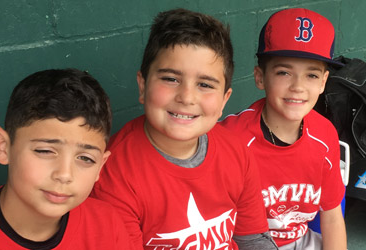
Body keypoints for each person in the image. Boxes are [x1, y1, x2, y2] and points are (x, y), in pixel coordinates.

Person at [91, 8, 277, 250]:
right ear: (143, 86)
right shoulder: (113, 174)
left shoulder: (236, 151)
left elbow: (252, 238)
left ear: (223, 100)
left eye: (205, 84)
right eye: (171, 79)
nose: (187, 97)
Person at [221, 8, 347, 250]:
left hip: (300, 240)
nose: (298, 87)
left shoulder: (324, 134)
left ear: (323, 82)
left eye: (311, 75)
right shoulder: (231, 138)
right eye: (284, 72)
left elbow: (331, 215)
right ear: (260, 77)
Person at [0, 69, 132, 249]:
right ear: (3, 147)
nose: (65, 174)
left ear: (100, 166)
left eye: (85, 158)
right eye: (45, 151)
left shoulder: (107, 225)